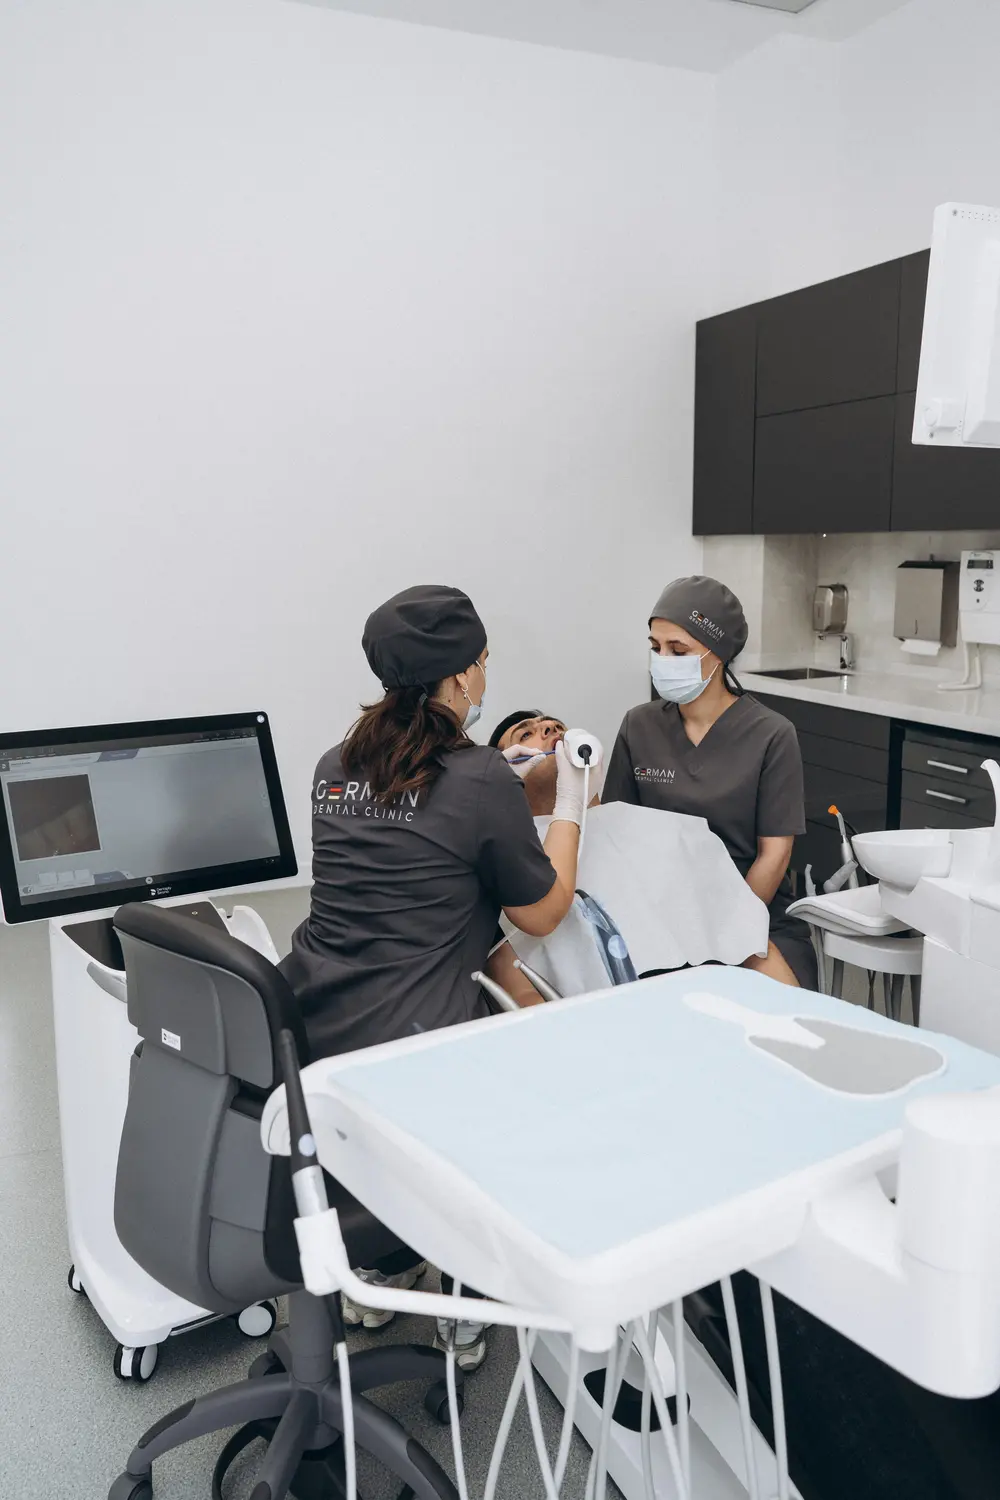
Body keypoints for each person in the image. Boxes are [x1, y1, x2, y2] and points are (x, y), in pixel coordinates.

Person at [279, 585, 595, 1366]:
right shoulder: (481, 778)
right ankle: (466, 1295)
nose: (484, 676)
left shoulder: (333, 766)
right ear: (459, 676)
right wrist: (572, 802)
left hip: (315, 1028)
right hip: (419, 1046)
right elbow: (544, 912)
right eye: (482, 662)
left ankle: (378, 1263)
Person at [602, 575, 816, 988]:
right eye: (655, 647)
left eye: (678, 649)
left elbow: (774, 856)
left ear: (718, 654)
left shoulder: (771, 735)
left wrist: (726, 932)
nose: (662, 659)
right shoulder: (639, 726)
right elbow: (617, 838)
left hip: (752, 911)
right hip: (658, 916)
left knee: (772, 1007)